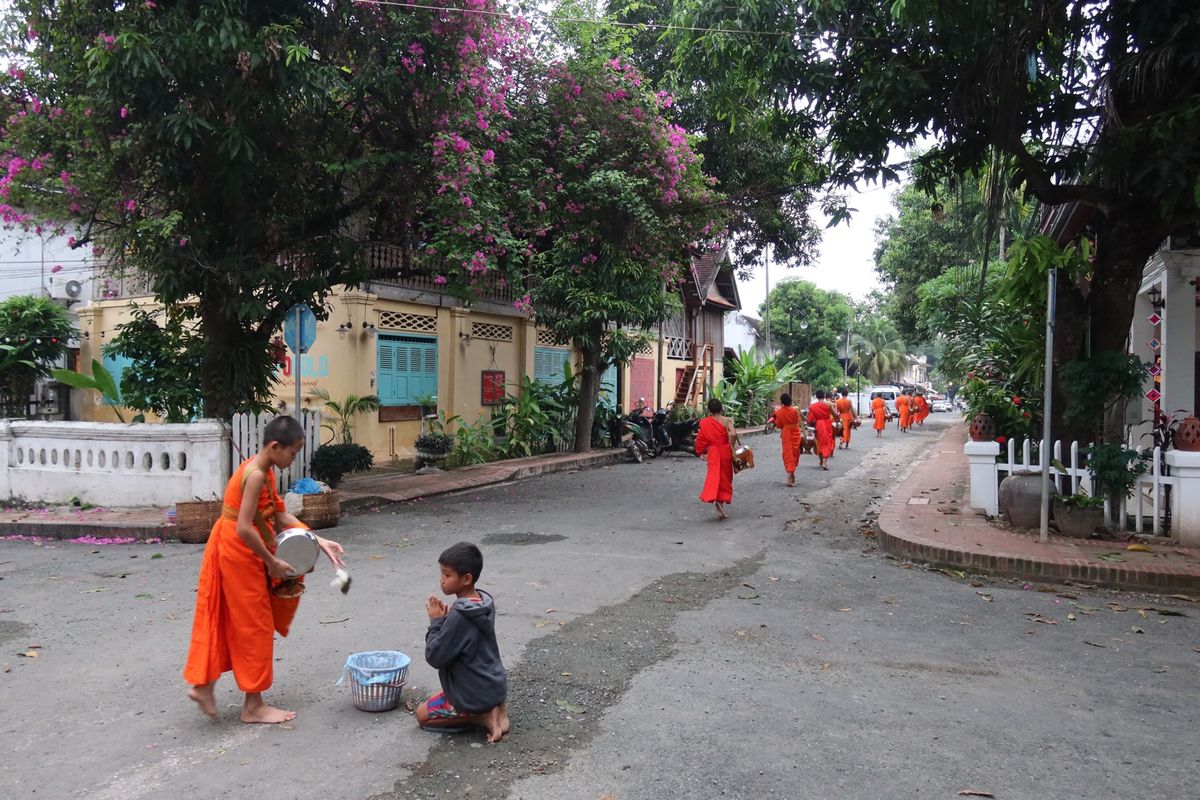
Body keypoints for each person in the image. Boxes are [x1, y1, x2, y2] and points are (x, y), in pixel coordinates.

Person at [184, 415, 345, 724]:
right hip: (239, 551)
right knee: (255, 624)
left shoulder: (264, 470)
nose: (294, 459)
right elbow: (244, 528)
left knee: (230, 617)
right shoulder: (256, 475)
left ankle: (204, 686)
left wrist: (320, 541)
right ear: (274, 446)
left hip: (240, 547)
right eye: (292, 453)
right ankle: (253, 706)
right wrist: (271, 562)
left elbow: (280, 516)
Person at [416, 542, 510, 743]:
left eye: (447, 575)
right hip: (493, 684)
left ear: (467, 578)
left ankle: (481, 716)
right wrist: (446, 622)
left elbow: (435, 657)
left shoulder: (459, 616)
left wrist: (436, 622)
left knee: (422, 716)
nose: (441, 580)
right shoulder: (483, 603)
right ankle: (498, 709)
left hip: (473, 694)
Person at [695, 397, 738, 519]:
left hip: (713, 451)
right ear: (721, 408)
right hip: (725, 451)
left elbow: (700, 439)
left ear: (709, 410)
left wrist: (701, 452)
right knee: (725, 477)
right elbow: (734, 434)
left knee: (714, 476)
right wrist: (731, 446)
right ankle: (720, 503)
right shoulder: (727, 420)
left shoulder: (704, 422)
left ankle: (716, 501)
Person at [775, 393, 801, 486]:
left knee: (787, 453)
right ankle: (790, 475)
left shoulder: (778, 412)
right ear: (790, 401)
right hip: (795, 432)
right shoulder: (795, 410)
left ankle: (791, 474)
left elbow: (778, 425)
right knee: (795, 453)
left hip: (786, 433)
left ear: (782, 402)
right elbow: (800, 421)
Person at [807, 390, 836, 470]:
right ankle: (824, 462)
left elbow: (809, 420)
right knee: (827, 442)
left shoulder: (812, 406)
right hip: (827, 424)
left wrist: (808, 427)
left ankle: (821, 461)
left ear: (816, 397)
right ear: (824, 396)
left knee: (819, 443)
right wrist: (837, 421)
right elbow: (835, 414)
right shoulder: (828, 404)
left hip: (818, 425)